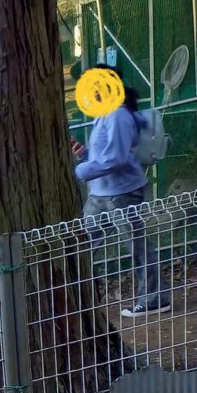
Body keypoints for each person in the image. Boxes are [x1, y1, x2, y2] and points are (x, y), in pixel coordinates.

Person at [73, 65, 170, 318]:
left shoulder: (117, 114)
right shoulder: (105, 113)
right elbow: (106, 154)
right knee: (81, 245)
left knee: (137, 246)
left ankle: (154, 299)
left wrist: (80, 171)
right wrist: (84, 154)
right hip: (100, 194)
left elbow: (115, 159)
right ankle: (77, 300)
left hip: (123, 194)